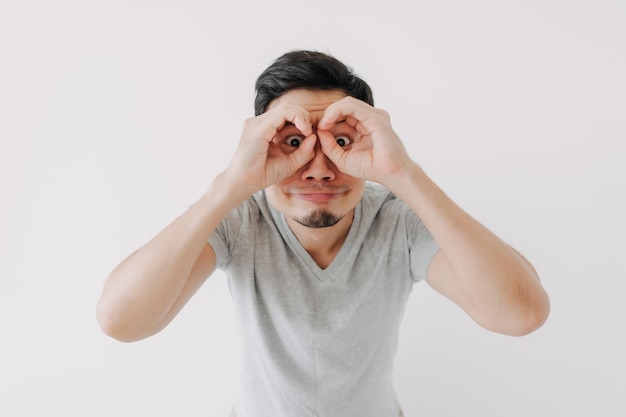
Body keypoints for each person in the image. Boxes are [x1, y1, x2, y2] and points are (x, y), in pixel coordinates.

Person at [96, 50, 550, 417]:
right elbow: (121, 321)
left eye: (340, 143)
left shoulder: (398, 221)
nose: (317, 170)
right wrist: (229, 185)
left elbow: (520, 314)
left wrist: (403, 174)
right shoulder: (240, 218)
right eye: (293, 143)